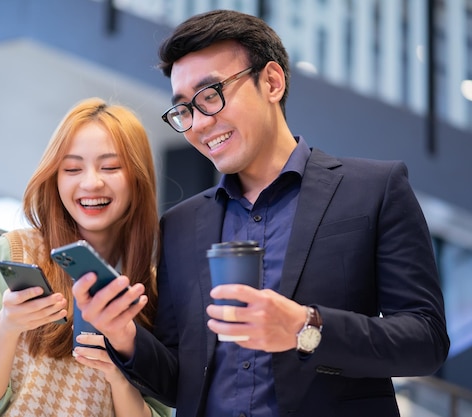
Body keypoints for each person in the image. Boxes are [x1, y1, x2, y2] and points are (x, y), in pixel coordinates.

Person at [72, 9, 450, 417]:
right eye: (184, 109)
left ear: (271, 81)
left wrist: (306, 327)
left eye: (211, 95)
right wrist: (124, 334)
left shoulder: (374, 189)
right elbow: (179, 381)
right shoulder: (180, 225)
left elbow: (425, 342)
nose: (199, 123)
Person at [0, 97, 171, 417]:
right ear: (55, 177)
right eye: (72, 168)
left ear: (138, 178)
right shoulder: (17, 252)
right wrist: (7, 326)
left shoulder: (151, 290)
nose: (91, 182)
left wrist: (119, 376)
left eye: (110, 167)